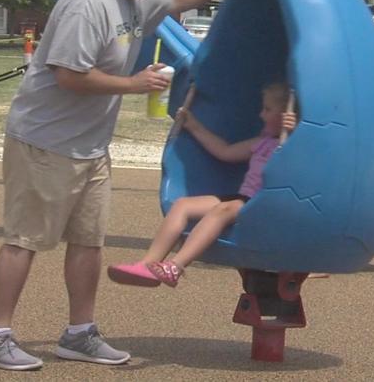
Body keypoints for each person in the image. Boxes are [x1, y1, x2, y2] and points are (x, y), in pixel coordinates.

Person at [0, 0, 261, 371]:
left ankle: (79, 333)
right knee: (23, 241)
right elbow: (68, 75)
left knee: (89, 242)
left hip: (90, 147)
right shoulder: (88, 2)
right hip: (45, 142)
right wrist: (134, 84)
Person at [108, 82, 296, 288]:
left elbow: (306, 163)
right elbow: (224, 151)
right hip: (245, 199)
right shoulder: (261, 142)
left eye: (267, 109)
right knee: (183, 205)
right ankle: (148, 264)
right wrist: (193, 125)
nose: (261, 114)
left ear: (286, 115)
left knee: (223, 209)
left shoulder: (293, 144)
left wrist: (296, 132)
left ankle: (175, 266)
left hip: (266, 203)